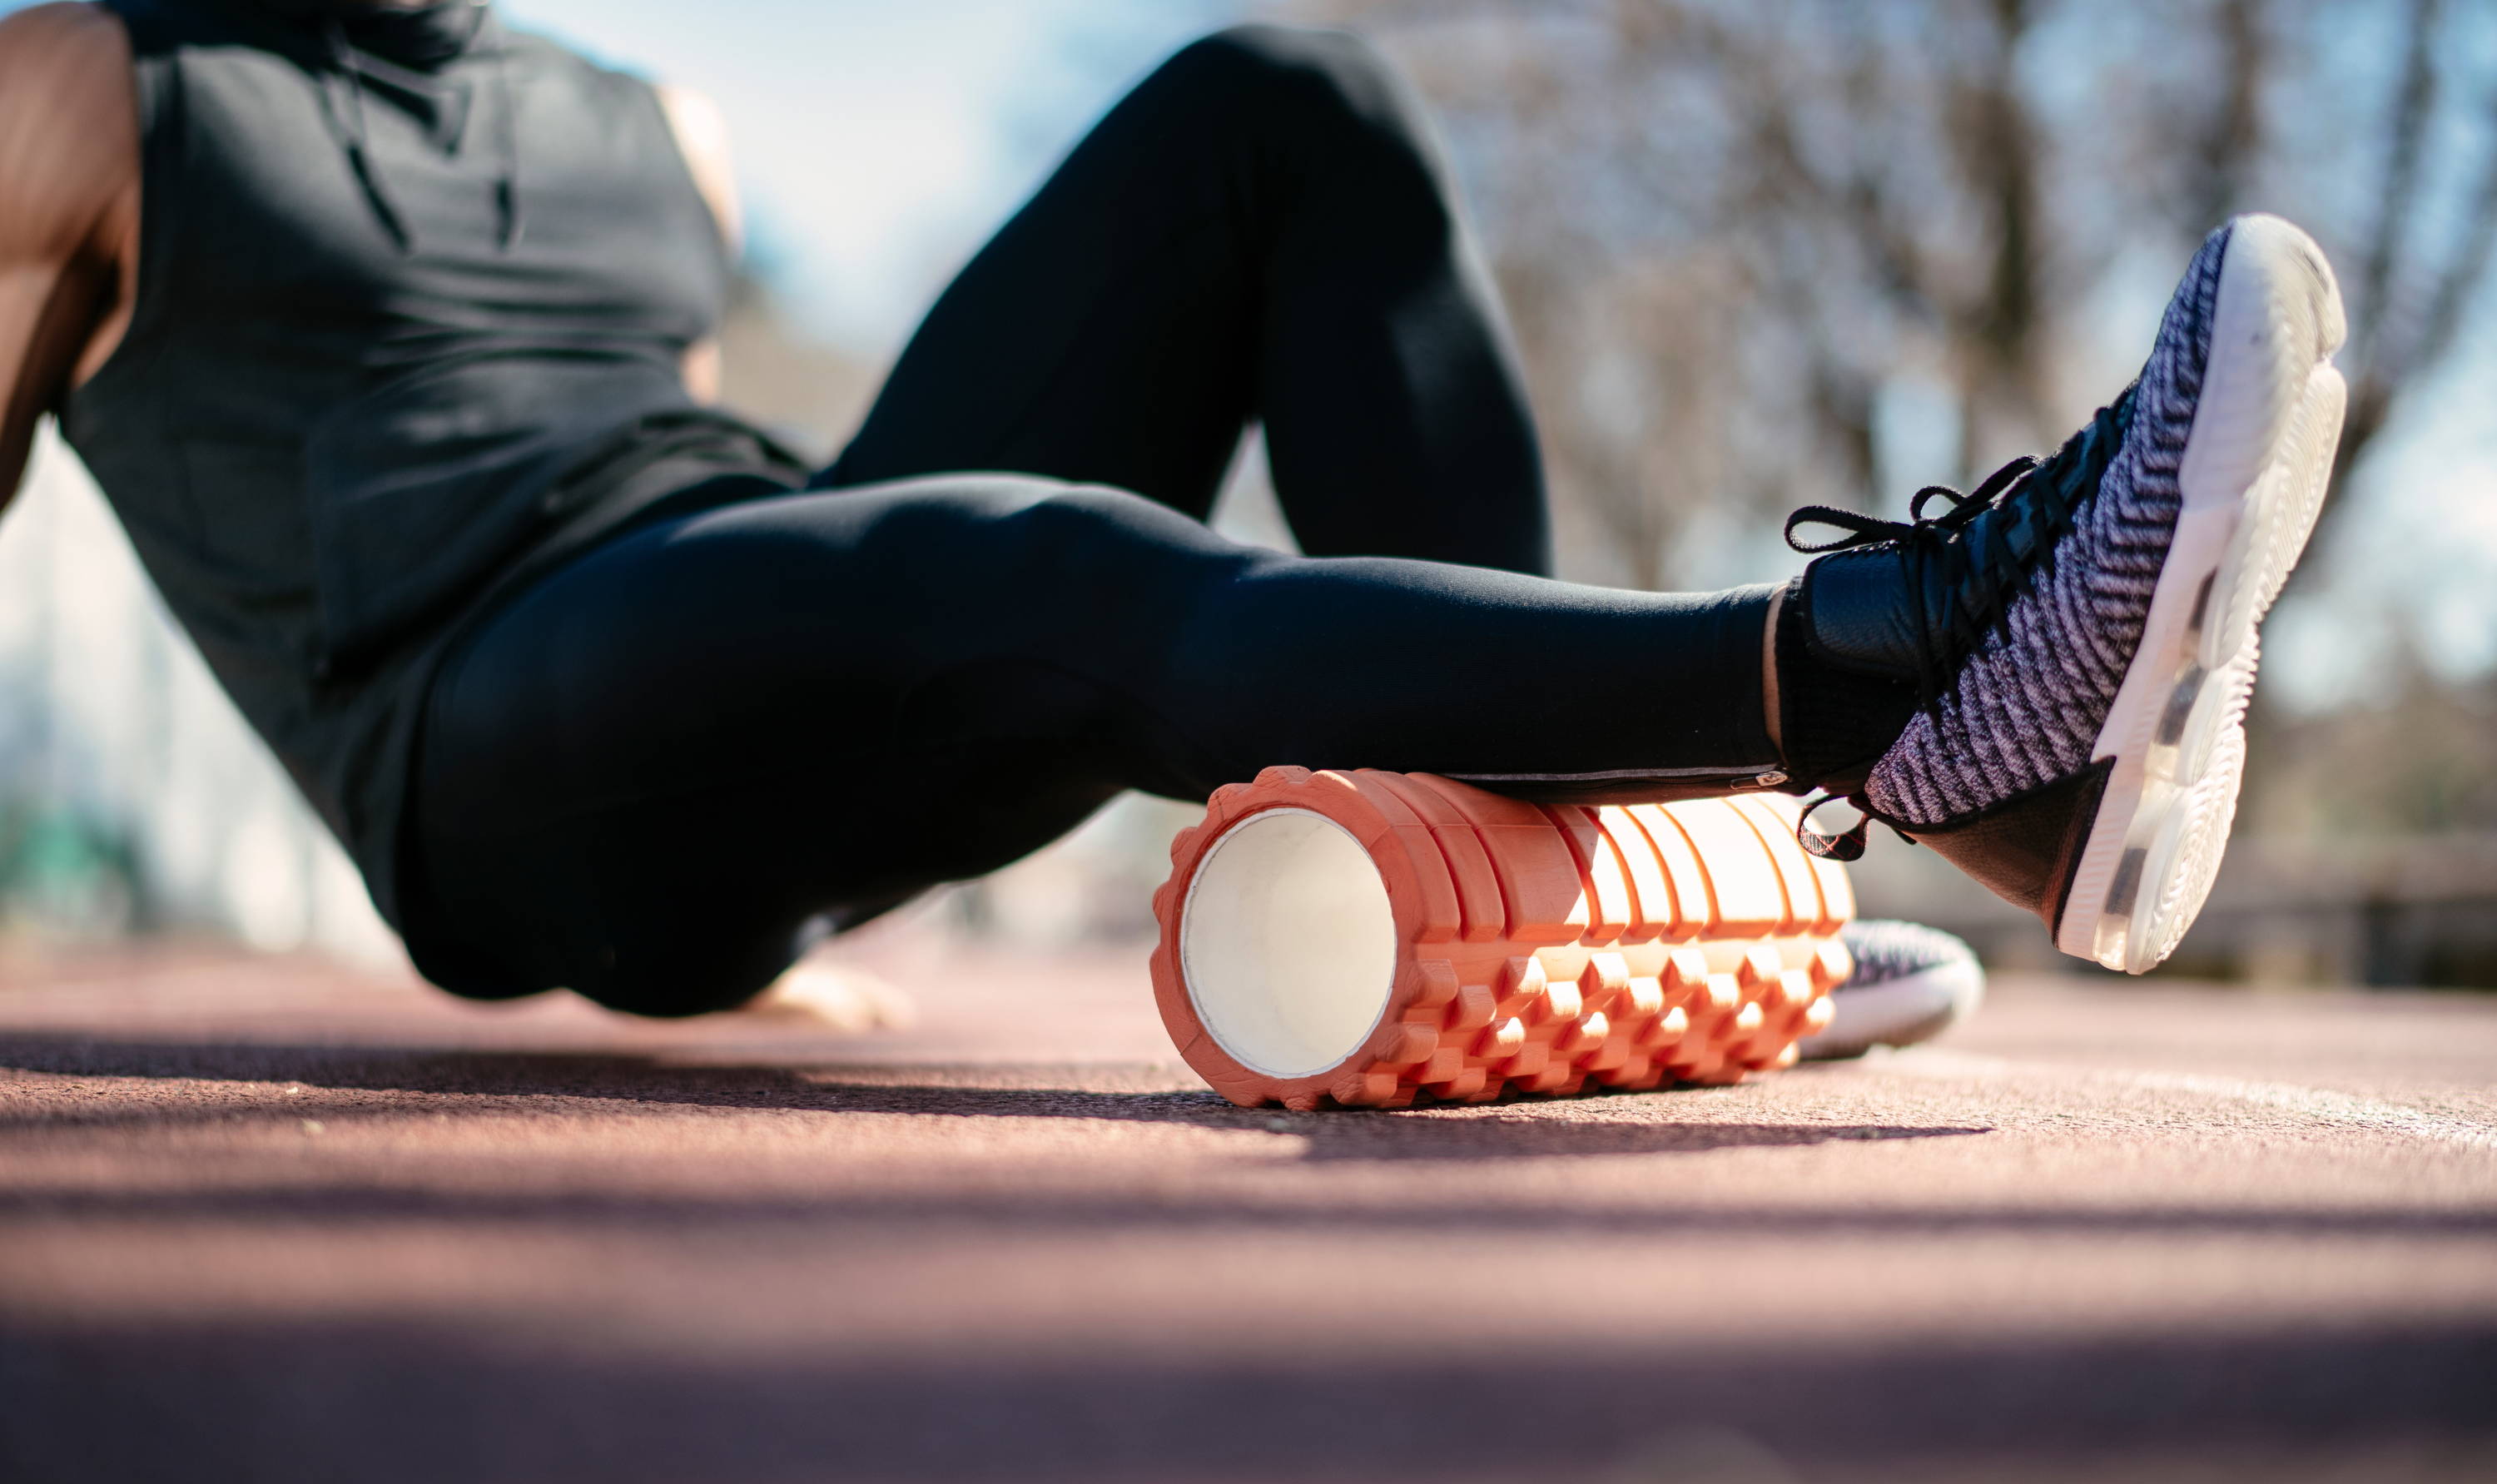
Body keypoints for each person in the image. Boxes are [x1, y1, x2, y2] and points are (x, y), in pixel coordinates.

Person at [0, 1, 2345, 1020]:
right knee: (1017, 559)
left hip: (729, 634)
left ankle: (1585, 898)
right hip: (479, 740)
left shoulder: (650, 126)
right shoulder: (88, 87)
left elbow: (742, 541)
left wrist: (782, 874)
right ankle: (1894, 676)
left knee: (1279, 103)